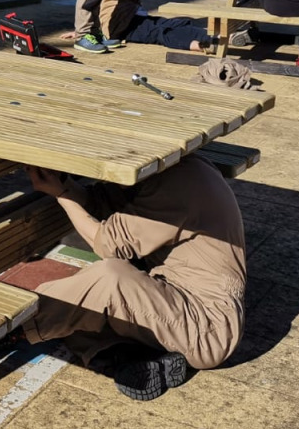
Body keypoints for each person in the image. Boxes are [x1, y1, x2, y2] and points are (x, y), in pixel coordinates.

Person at [21, 157, 246, 401]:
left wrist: (61, 195)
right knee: (79, 316)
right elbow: (101, 202)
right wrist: (63, 183)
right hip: (176, 299)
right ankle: (129, 358)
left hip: (206, 327)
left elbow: (106, 243)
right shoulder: (172, 168)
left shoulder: (176, 187)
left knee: (107, 279)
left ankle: (17, 325)